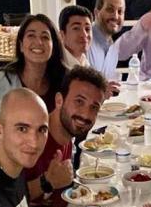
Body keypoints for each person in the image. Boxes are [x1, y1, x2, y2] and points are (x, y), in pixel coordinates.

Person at [0, 14, 67, 151]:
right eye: (31, 35)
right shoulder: (0, 81)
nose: (38, 42)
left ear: (53, 47)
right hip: (14, 164)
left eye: (45, 37)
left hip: (57, 161)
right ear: (21, 45)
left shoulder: (64, 82)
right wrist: (0, 150)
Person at [23, 65, 108, 199]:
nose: (86, 114)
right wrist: (47, 182)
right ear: (59, 101)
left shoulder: (67, 134)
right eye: (79, 101)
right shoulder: (29, 137)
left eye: (94, 107)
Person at [89, 0, 126, 81]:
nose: (116, 16)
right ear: (96, 13)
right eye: (110, 10)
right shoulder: (85, 40)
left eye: (120, 11)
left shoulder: (114, 49)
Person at [58, 4, 93, 68]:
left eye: (87, 29)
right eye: (76, 28)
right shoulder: (55, 65)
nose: (84, 34)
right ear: (61, 35)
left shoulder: (85, 63)